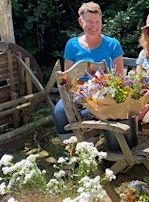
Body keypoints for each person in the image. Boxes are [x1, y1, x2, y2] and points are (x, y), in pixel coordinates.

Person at [52, 1, 124, 141]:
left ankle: (88, 143)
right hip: (77, 93)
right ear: (81, 21)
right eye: (90, 21)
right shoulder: (72, 45)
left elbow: (119, 78)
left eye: (98, 22)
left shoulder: (112, 44)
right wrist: (79, 92)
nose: (94, 26)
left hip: (104, 94)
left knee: (87, 115)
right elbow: (68, 78)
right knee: (60, 112)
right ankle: (70, 148)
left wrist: (100, 92)